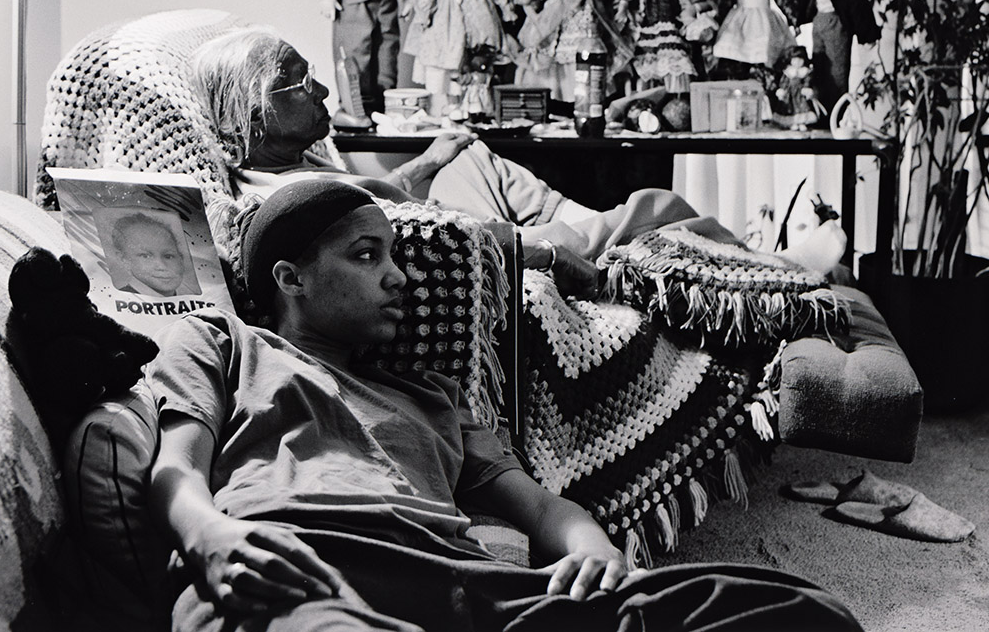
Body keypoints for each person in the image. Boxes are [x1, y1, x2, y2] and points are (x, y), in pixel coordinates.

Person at [147, 178, 864, 632]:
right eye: (368, 257)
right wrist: (208, 537)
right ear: (290, 277)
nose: (398, 278)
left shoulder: (429, 394)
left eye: (396, 256)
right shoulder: (223, 342)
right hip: (291, 568)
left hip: (458, 583)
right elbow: (174, 468)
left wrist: (599, 557)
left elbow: (545, 510)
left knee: (802, 612)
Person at [189, 26, 850, 292]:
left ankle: (600, 220)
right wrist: (534, 250)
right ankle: (780, 270)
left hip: (452, 214)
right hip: (493, 246)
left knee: (470, 154)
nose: (323, 90)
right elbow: (406, 222)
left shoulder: (297, 164)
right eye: (298, 84)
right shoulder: (294, 198)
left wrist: (431, 158)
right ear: (248, 112)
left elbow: (387, 191)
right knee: (657, 204)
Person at [113, 212, 188, 297]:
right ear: (123, 259)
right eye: (146, 256)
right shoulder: (110, 303)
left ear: (181, 258)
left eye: (168, 256)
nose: (161, 266)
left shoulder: (193, 301)